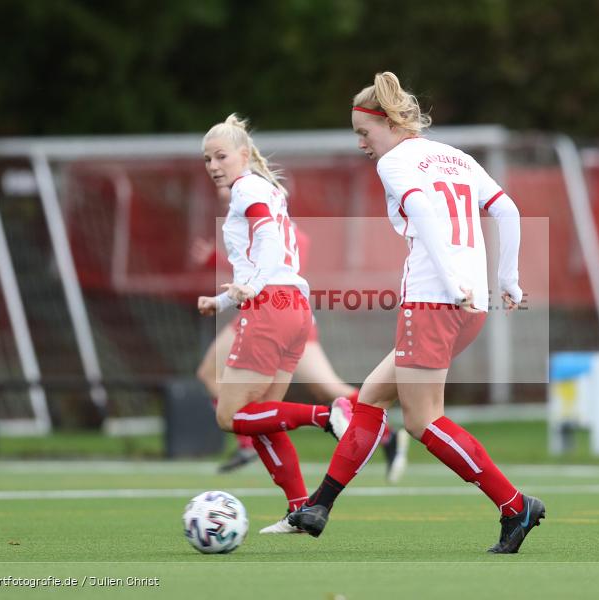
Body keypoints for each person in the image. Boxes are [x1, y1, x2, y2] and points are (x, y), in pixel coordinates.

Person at [288, 72, 545, 554]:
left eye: (364, 133)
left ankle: (515, 506)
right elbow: (507, 210)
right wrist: (506, 280)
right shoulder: (455, 156)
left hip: (434, 299)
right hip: (471, 303)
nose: (361, 144)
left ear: (387, 122)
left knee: (423, 423)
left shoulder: (396, 162)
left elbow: (424, 213)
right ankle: (319, 506)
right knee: (369, 398)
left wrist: (450, 283)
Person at [196, 113, 353, 534]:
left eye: (221, 156)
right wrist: (223, 299)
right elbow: (267, 256)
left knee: (231, 416)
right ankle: (300, 510)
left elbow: (265, 238)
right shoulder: (263, 187)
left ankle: (326, 415)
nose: (213, 165)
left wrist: (253, 286)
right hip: (295, 306)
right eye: (207, 159)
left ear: (243, 155)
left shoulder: (247, 188)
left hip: (270, 308)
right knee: (265, 417)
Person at [194, 192, 411, 482]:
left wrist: (215, 261)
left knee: (326, 389)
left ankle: (382, 434)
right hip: (272, 311)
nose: (226, 194)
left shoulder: (272, 224)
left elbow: (280, 268)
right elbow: (255, 271)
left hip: (275, 312)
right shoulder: (255, 221)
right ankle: (384, 435)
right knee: (212, 374)